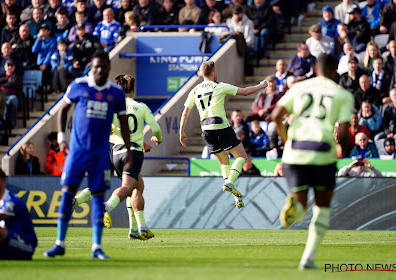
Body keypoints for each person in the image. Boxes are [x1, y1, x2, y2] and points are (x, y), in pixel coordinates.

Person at [44, 51, 132, 259]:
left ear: (109, 68)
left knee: (99, 197)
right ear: (91, 67)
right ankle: (59, 243)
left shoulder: (116, 94)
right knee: (67, 194)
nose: (100, 70)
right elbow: (62, 109)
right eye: (96, 67)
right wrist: (61, 136)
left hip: (100, 154)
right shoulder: (79, 85)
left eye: (103, 66)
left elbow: (124, 124)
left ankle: (96, 247)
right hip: (76, 152)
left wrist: (129, 149)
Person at [272, 53, 353, 270]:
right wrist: (342, 149)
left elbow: (275, 115)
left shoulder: (299, 88)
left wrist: (286, 139)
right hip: (322, 153)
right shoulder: (342, 95)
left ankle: (296, 206)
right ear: (335, 70)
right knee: (322, 208)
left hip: (295, 153)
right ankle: (308, 258)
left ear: (315, 69)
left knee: (301, 205)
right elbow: (344, 130)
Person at [75, 74, 162, 239]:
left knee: (138, 186)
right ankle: (108, 206)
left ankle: (137, 229)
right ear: (134, 89)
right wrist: (158, 138)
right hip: (131, 153)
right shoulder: (140, 107)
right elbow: (155, 127)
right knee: (129, 187)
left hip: (113, 150)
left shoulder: (113, 106)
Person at [179, 60, 268, 209]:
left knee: (224, 161)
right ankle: (230, 182)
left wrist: (181, 131)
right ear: (213, 73)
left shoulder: (194, 90)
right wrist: (262, 85)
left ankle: (235, 197)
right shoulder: (219, 86)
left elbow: (185, 113)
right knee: (241, 157)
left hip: (206, 130)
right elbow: (245, 92)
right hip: (220, 125)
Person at [0, 169, 38, 260]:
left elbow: (0, 216)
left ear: (3, 182)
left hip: (26, 245)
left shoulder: (12, 200)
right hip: (6, 245)